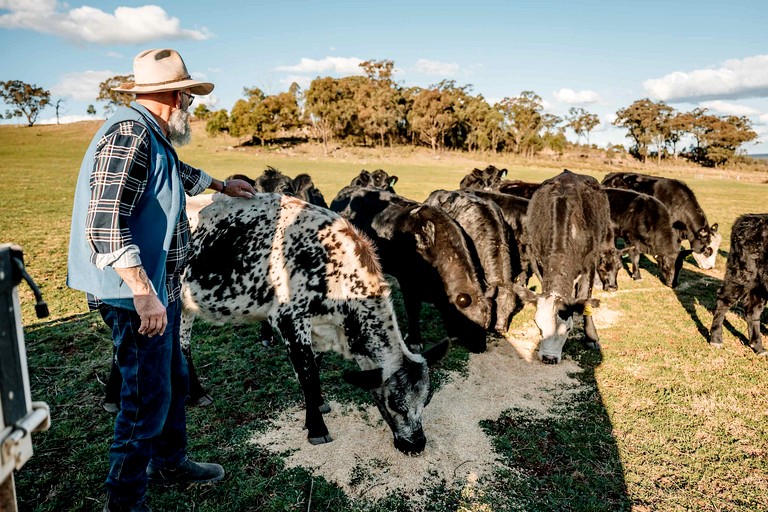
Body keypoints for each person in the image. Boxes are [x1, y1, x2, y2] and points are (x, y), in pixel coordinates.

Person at [67, 48, 256, 512]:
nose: (190, 109)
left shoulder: (150, 134)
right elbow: (105, 222)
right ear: (173, 97)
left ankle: (171, 462)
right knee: (144, 400)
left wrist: (220, 185)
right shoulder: (129, 135)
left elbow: (174, 173)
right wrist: (143, 292)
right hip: (137, 296)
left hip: (158, 287)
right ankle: (126, 500)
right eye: (188, 99)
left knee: (170, 379)